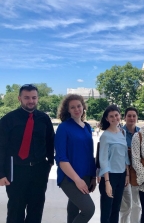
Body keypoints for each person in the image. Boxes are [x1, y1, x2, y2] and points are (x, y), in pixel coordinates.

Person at [0, 84, 54, 223]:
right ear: (19, 98)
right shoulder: (8, 120)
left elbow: (50, 141)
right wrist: (1, 173)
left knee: (36, 209)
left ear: (38, 98)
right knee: (15, 209)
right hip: (16, 170)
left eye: (34, 97)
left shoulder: (44, 119)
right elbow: (1, 147)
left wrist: (49, 163)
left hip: (39, 170)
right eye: (27, 98)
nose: (31, 101)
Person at [55, 94, 96, 223]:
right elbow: (61, 158)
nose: (76, 109)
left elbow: (90, 155)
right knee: (88, 210)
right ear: (68, 110)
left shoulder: (87, 127)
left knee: (73, 211)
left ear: (83, 107)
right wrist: (77, 180)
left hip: (86, 176)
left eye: (79, 106)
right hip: (70, 178)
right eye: (73, 107)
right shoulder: (63, 128)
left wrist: (93, 176)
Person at [98, 105, 130, 223]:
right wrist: (107, 182)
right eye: (111, 116)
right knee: (107, 211)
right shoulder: (105, 136)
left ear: (120, 116)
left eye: (116, 115)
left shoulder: (123, 132)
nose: (114, 118)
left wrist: (127, 174)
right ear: (107, 119)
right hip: (110, 176)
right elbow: (103, 159)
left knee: (116, 209)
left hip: (121, 175)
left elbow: (125, 155)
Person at [120, 107, 141, 223]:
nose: (132, 118)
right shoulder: (119, 133)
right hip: (124, 171)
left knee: (136, 204)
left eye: (134, 116)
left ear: (137, 118)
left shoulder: (142, 133)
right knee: (125, 205)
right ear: (125, 117)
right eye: (129, 116)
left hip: (138, 172)